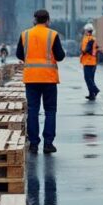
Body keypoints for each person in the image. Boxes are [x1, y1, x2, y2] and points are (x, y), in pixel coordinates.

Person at [16, 9, 66, 154]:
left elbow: (19, 54)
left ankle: (33, 144)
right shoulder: (52, 34)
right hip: (48, 78)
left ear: (34, 20)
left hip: (31, 78)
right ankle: (48, 144)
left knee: (33, 110)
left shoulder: (25, 34)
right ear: (48, 20)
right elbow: (60, 56)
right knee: (50, 110)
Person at [80, 24, 101, 100]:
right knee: (91, 78)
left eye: (85, 30)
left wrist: (83, 51)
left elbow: (86, 49)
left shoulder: (87, 39)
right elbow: (95, 49)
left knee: (87, 78)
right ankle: (91, 95)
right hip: (93, 61)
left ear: (86, 31)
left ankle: (95, 90)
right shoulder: (93, 38)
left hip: (88, 61)